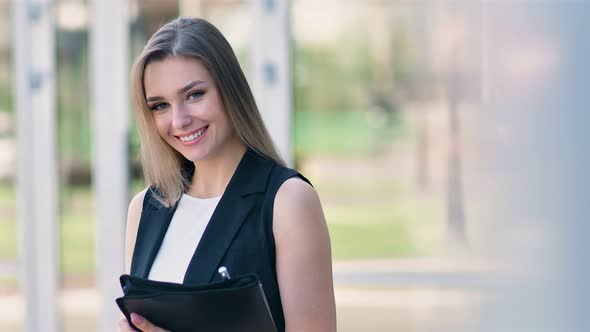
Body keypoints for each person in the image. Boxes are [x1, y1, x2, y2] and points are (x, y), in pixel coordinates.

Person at [118, 17, 336, 332]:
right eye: (160, 106)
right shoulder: (145, 208)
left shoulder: (287, 202)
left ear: (229, 89)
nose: (179, 121)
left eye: (194, 95)